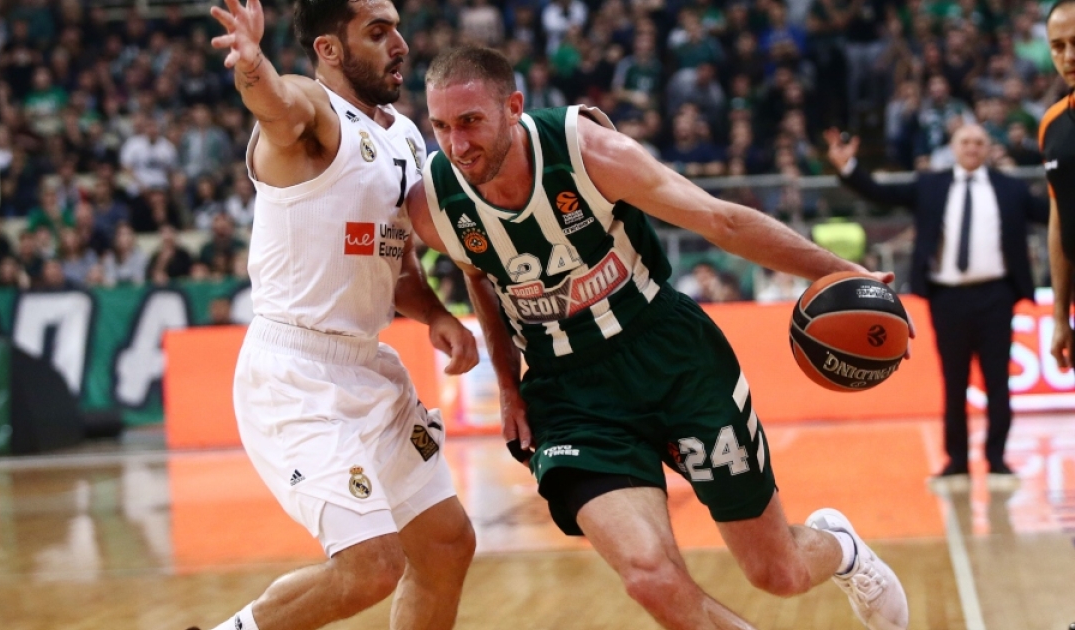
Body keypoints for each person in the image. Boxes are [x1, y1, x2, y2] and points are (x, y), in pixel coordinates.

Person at [407, 45, 909, 630]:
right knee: (650, 578)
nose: (457, 144)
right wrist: (507, 383)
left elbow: (721, 220)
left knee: (778, 572)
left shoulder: (589, 152)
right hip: (569, 396)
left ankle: (841, 548)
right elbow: (478, 275)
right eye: (441, 126)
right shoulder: (433, 205)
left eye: (471, 121)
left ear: (513, 107)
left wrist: (840, 271)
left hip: (669, 355)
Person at [190, 1, 479, 630]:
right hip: (296, 375)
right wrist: (252, 65)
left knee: (447, 544)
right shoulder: (312, 112)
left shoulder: (405, 136)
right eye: (377, 32)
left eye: (396, 28)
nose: (399, 44)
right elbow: (277, 104)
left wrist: (436, 314)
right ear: (329, 49)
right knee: (370, 567)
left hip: (366, 364)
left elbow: (396, 259)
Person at [826, 124, 1047, 488]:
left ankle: (997, 459)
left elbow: (1050, 213)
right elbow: (882, 194)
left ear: (988, 148)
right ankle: (956, 460)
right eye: (966, 141)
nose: (972, 147)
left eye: (979, 142)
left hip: (997, 295)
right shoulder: (931, 184)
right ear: (953, 147)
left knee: (997, 379)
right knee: (954, 379)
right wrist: (848, 168)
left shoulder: (1011, 188)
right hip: (947, 296)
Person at [1043, 1, 1075, 376]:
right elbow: (1059, 220)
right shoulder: (1051, 125)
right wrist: (1060, 316)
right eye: (1058, 46)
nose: (1069, 57)